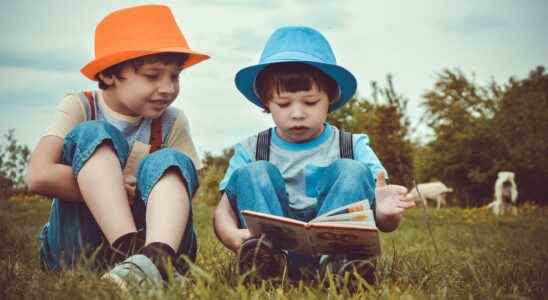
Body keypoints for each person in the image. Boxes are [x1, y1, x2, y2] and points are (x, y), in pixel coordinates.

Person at [213, 26, 415, 285]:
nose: (297, 113)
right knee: (253, 172)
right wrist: (232, 237)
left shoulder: (352, 145)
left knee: (351, 170)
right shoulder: (251, 149)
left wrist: (386, 213)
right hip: (274, 252)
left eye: (310, 102)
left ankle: (342, 269)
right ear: (266, 102)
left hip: (339, 253)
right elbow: (223, 211)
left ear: (330, 97)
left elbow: (386, 222)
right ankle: (265, 266)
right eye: (284, 104)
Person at [25, 4, 209, 288]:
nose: (168, 88)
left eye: (175, 76)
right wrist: (115, 186)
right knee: (93, 134)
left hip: (157, 240)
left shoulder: (172, 121)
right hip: (78, 249)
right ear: (110, 74)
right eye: (153, 76)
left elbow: (186, 184)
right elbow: (38, 175)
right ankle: (130, 252)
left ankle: (156, 258)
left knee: (170, 161)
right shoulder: (80, 106)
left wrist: (153, 185)